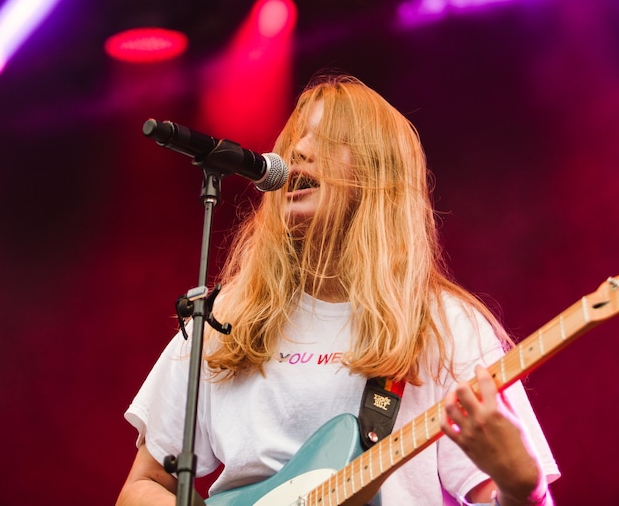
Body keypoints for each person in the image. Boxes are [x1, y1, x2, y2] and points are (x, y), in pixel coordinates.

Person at [116, 74, 560, 506]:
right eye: (295, 141)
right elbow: (143, 486)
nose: (299, 152)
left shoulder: (444, 326)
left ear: (377, 173)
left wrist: (525, 489)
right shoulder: (225, 317)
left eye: (327, 141)